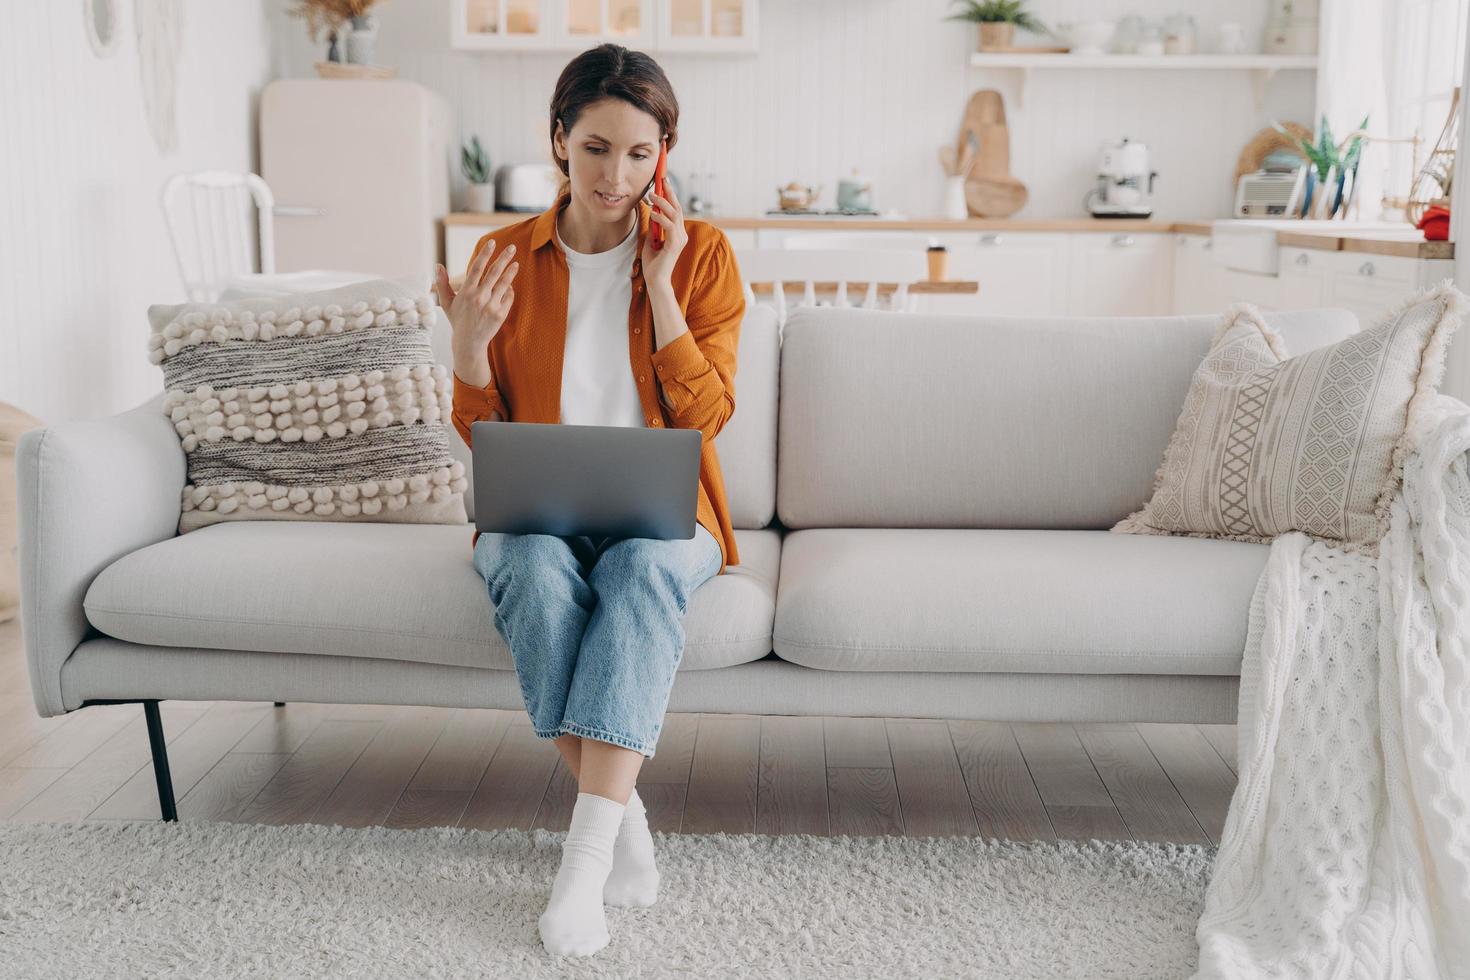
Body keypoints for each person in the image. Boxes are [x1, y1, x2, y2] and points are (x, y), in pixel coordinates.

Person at [429, 43, 745, 957]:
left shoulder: (703, 255)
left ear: (665, 152)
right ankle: (626, 823)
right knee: (527, 567)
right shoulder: (500, 256)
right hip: (537, 519)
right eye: (596, 148)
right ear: (558, 140)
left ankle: (582, 867)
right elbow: (481, 433)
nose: (617, 175)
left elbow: (709, 416)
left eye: (640, 153)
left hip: (667, 520)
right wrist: (467, 353)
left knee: (646, 565)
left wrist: (659, 288)